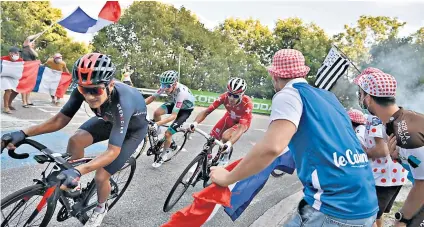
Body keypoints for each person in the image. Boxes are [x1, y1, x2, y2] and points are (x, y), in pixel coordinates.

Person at [209, 49, 378, 226]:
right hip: (366, 203)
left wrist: (228, 178)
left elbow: (271, 147)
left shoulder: (288, 94)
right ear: (302, 72)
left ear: (274, 76)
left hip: (333, 207)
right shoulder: (329, 97)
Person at [1, 53, 149, 227]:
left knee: (102, 176)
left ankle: (101, 208)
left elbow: (112, 151)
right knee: (75, 140)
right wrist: (23, 133)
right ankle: (75, 186)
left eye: (95, 90)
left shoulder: (122, 101)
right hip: (109, 120)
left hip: (132, 130)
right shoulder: (86, 87)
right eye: (83, 90)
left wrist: (79, 171)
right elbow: (59, 120)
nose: (89, 96)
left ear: (110, 84)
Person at [354, 71, 424, 227]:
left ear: (368, 98)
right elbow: (418, 164)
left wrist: (402, 219)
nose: (359, 98)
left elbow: (422, 182)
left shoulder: (404, 132)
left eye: (360, 94)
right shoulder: (398, 121)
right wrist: (398, 158)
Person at [189, 77, 253, 165]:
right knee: (211, 139)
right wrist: (195, 123)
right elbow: (207, 111)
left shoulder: (247, 103)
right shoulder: (224, 97)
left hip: (241, 123)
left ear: (241, 95)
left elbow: (241, 128)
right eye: (230, 94)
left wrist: (229, 143)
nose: (231, 98)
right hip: (229, 117)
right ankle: (208, 159)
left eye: (235, 96)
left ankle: (226, 154)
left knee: (226, 137)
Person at [145, 70, 195, 168]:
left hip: (185, 110)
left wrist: (157, 123)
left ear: (175, 84)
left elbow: (173, 116)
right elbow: (152, 98)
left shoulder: (181, 92)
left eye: (168, 86)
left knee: (168, 133)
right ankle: (160, 134)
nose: (165, 88)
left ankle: (164, 155)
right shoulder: (165, 86)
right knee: (157, 113)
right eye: (163, 85)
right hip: (175, 103)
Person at [18, 34, 40, 107]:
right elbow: (28, 38)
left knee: (29, 84)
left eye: (34, 44)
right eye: (32, 43)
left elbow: (36, 55)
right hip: (25, 67)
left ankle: (28, 100)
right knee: (24, 84)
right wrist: (37, 34)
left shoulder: (32, 50)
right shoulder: (25, 47)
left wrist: (31, 47)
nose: (33, 44)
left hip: (31, 68)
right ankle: (24, 101)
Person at [1, 46, 24, 114]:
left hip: (13, 77)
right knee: (8, 89)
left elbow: (26, 66)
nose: (17, 55)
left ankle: (9, 104)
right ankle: (6, 107)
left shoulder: (20, 60)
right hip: (4, 76)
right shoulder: (3, 59)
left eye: (18, 53)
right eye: (16, 53)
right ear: (10, 53)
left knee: (16, 90)